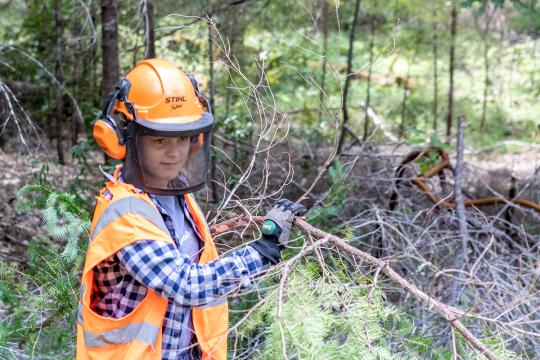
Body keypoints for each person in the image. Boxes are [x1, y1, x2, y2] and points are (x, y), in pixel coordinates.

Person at [76, 59, 305, 360]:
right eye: (160, 140)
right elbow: (186, 285)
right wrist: (262, 251)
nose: (174, 152)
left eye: (182, 139)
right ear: (124, 138)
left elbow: (207, 280)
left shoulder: (176, 192)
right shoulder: (126, 214)